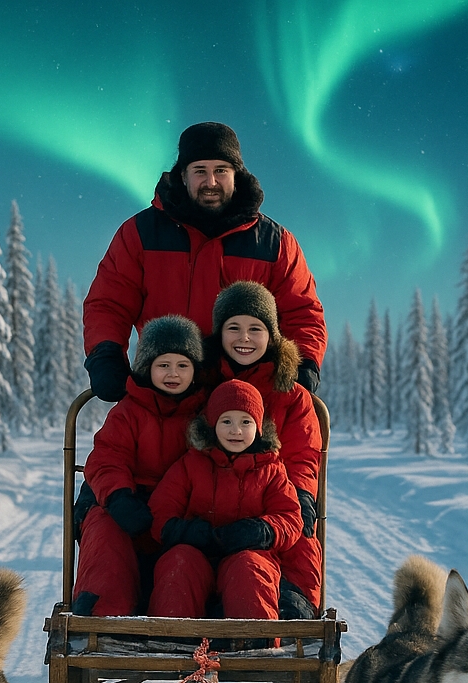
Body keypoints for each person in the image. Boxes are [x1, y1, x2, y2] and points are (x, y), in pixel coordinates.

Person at [82, 122, 326, 403]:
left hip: (245, 402)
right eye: (200, 171)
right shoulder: (140, 233)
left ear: (237, 175)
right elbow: (110, 302)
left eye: (221, 170)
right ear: (183, 176)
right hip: (165, 392)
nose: (211, 182)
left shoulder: (275, 243)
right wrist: (106, 354)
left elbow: (302, 311)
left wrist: (304, 363)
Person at [71, 316, 208, 616]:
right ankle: (101, 621)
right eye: (163, 365)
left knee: (187, 558)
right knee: (105, 535)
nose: (173, 373)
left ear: (195, 370)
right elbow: (107, 457)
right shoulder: (129, 412)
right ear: (147, 367)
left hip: (177, 516)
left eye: (182, 366)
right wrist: (119, 496)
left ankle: (173, 628)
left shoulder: (204, 415)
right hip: (127, 506)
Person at [211, 281, 323, 619]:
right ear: (219, 334)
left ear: (271, 336)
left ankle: (293, 606)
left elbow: (304, 455)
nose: (244, 338)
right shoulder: (200, 383)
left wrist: (302, 495)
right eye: (234, 328)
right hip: (213, 500)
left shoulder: (292, 394)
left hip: (275, 502)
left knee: (300, 537)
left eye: (255, 329)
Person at [147, 380, 302, 620]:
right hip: (196, 553)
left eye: (246, 422)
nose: (236, 430)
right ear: (212, 424)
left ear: (259, 427)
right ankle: (170, 640)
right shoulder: (191, 464)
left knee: (251, 569)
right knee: (178, 563)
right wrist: (187, 532)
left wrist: (262, 530)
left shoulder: (271, 470)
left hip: (248, 553)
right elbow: (160, 511)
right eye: (226, 421)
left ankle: (256, 645)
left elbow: (290, 518)